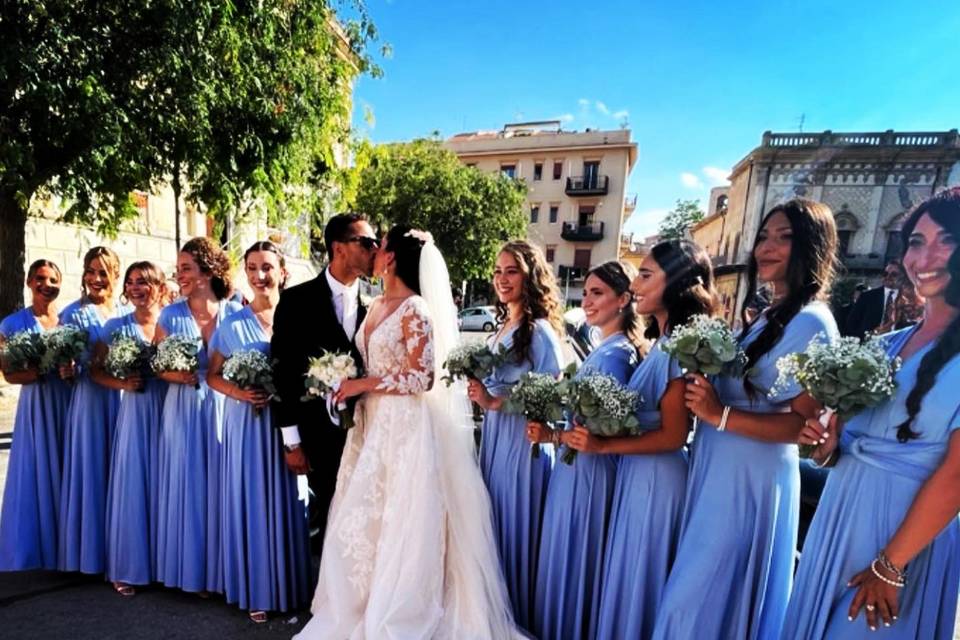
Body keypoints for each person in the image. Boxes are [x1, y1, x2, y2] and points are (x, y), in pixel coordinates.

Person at [295, 226, 518, 639]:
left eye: (378, 247)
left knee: (401, 517)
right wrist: (345, 383)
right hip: (373, 424)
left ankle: (397, 610)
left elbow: (423, 378)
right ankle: (358, 604)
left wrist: (363, 384)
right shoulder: (377, 302)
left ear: (392, 257)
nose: (373, 253)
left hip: (405, 428)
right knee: (364, 518)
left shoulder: (416, 308)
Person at [652, 199, 840, 640]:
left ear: (812, 247)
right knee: (700, 596)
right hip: (717, 468)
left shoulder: (813, 322)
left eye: (784, 237)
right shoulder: (768, 317)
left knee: (694, 598)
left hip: (750, 479)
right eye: (763, 236)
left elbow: (802, 429)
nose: (766, 248)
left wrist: (720, 414)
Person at [783, 187, 960, 639]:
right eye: (917, 242)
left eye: (947, 239)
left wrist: (890, 566)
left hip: (903, 541)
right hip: (839, 518)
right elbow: (840, 446)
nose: (926, 256)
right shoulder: (884, 346)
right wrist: (824, 448)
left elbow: (956, 476)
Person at [584, 240, 719, 639]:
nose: (636, 285)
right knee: (628, 573)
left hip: (658, 480)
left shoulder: (681, 348)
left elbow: (674, 434)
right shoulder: (664, 342)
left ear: (676, 282)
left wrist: (603, 445)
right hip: (638, 473)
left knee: (641, 574)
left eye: (645, 275)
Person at [527, 260, 643, 640]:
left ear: (624, 299)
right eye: (586, 292)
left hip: (588, 474)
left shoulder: (616, 356)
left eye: (598, 293)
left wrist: (552, 436)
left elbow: (594, 435)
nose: (587, 301)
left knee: (574, 558)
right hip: (574, 469)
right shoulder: (603, 347)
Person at [207, 242, 310, 623]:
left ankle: (295, 586)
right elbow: (212, 374)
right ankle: (256, 588)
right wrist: (240, 392)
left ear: (282, 271)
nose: (258, 275)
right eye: (251, 268)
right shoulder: (232, 324)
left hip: (290, 425)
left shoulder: (297, 316)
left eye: (267, 267)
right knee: (251, 500)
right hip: (248, 426)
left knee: (290, 501)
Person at [466, 241, 565, 631]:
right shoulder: (504, 325)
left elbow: (553, 395)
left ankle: (518, 618)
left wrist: (495, 402)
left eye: (512, 271)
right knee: (495, 523)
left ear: (529, 277)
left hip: (522, 443)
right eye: (497, 271)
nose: (502, 279)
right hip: (495, 438)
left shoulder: (539, 331)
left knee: (514, 525)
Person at [271, 213, 376, 556]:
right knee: (333, 517)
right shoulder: (295, 301)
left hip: (369, 431)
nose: (375, 249)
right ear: (339, 248)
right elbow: (283, 373)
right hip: (318, 435)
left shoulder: (376, 308)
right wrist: (291, 442)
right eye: (366, 242)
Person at [155, 237, 241, 595]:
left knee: (223, 485)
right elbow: (157, 365)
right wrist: (173, 374)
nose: (179, 275)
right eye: (179, 269)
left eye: (186, 268)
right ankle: (192, 572)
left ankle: (224, 573)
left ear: (207, 270)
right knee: (190, 486)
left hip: (225, 406)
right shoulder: (170, 315)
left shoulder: (236, 312)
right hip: (184, 407)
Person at [96, 262, 169, 596]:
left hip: (170, 409)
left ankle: (165, 564)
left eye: (144, 282)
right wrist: (121, 382)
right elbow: (95, 371)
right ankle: (127, 566)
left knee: (166, 487)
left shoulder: (171, 321)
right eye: (131, 282)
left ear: (158, 285)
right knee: (133, 486)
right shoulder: (115, 327)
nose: (137, 288)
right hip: (136, 412)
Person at [0, 260, 72, 571]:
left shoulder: (67, 321)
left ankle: (67, 546)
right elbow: (9, 374)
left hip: (68, 401)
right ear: (29, 282)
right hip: (36, 402)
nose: (47, 285)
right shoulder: (11, 324)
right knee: (35, 469)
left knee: (66, 469)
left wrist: (69, 371)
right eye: (41, 279)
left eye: (54, 280)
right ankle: (32, 549)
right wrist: (37, 372)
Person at [58, 246, 124, 575]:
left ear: (115, 274)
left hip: (123, 400)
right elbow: (63, 363)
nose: (96, 279)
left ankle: (122, 547)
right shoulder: (72, 314)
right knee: (93, 470)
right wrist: (66, 370)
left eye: (103, 272)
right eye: (91, 271)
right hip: (91, 400)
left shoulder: (126, 309)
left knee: (122, 472)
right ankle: (91, 554)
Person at [844, 260, 907, 337]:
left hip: (897, 344)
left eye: (893, 274)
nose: (888, 277)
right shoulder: (867, 297)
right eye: (885, 274)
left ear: (903, 276)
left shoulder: (909, 300)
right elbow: (851, 324)